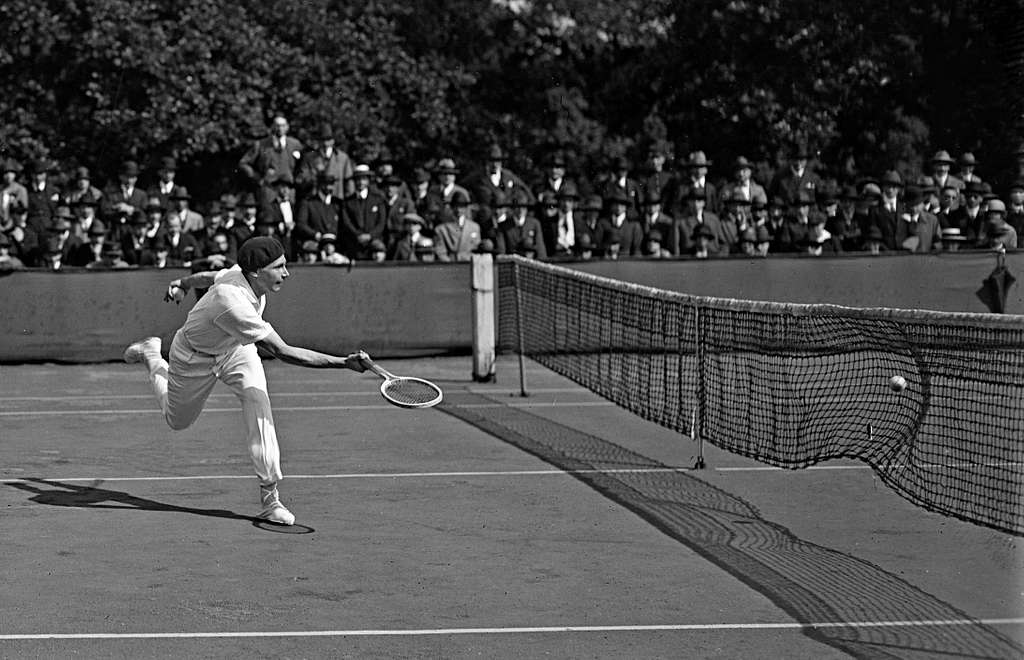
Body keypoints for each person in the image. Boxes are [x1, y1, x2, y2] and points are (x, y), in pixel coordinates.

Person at [123, 237, 369, 526]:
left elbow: (207, 276)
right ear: (255, 273)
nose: (286, 273)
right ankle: (152, 355)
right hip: (193, 357)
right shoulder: (233, 303)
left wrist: (183, 283)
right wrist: (343, 363)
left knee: (258, 401)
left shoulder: (235, 273)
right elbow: (283, 351)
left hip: (235, 350)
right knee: (176, 421)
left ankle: (270, 499)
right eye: (278, 267)